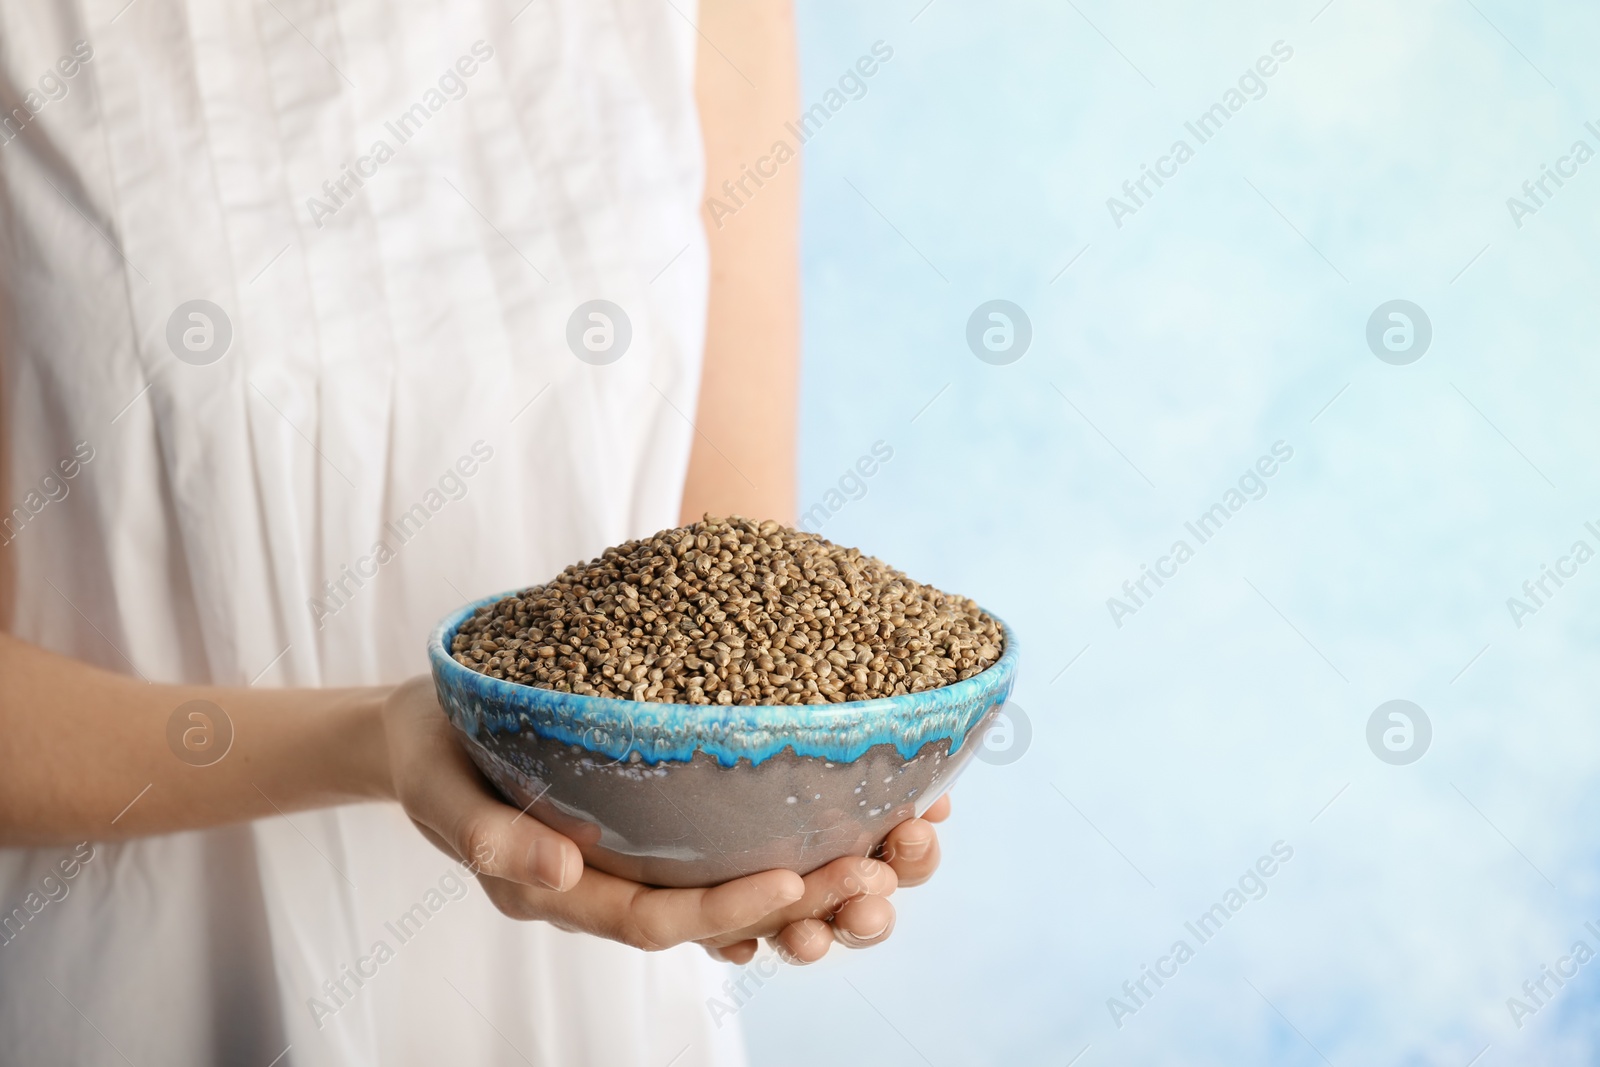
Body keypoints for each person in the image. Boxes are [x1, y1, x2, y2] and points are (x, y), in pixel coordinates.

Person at [0, 3, 950, 1064]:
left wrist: (781, 809)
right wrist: (382, 737)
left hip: (607, 1001)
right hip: (149, 988)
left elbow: (738, 564)